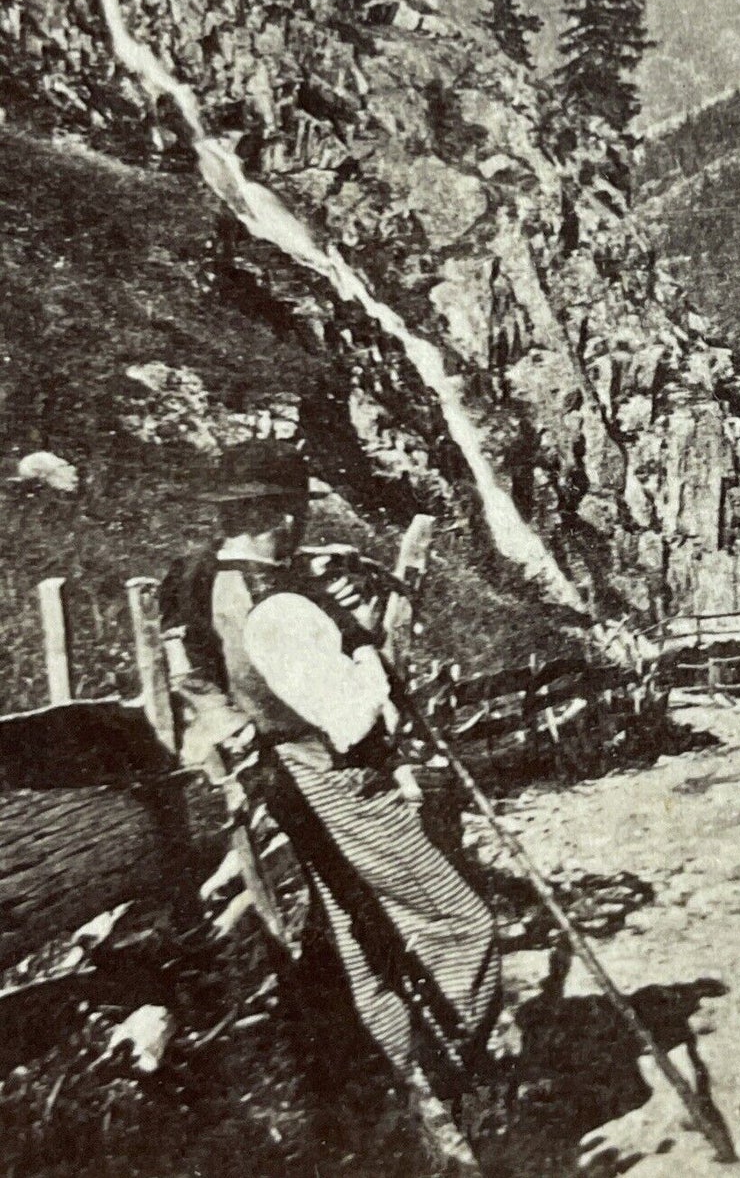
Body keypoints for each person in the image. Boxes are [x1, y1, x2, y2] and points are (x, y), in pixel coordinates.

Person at [161, 440, 499, 1171]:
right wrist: (369, 655)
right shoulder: (274, 605)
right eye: (299, 511)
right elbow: (349, 716)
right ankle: (452, 1078)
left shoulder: (199, 581)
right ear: (278, 513)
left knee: (363, 941)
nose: (304, 525)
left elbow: (190, 674)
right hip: (334, 775)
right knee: (464, 923)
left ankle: (404, 1090)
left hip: (285, 775)